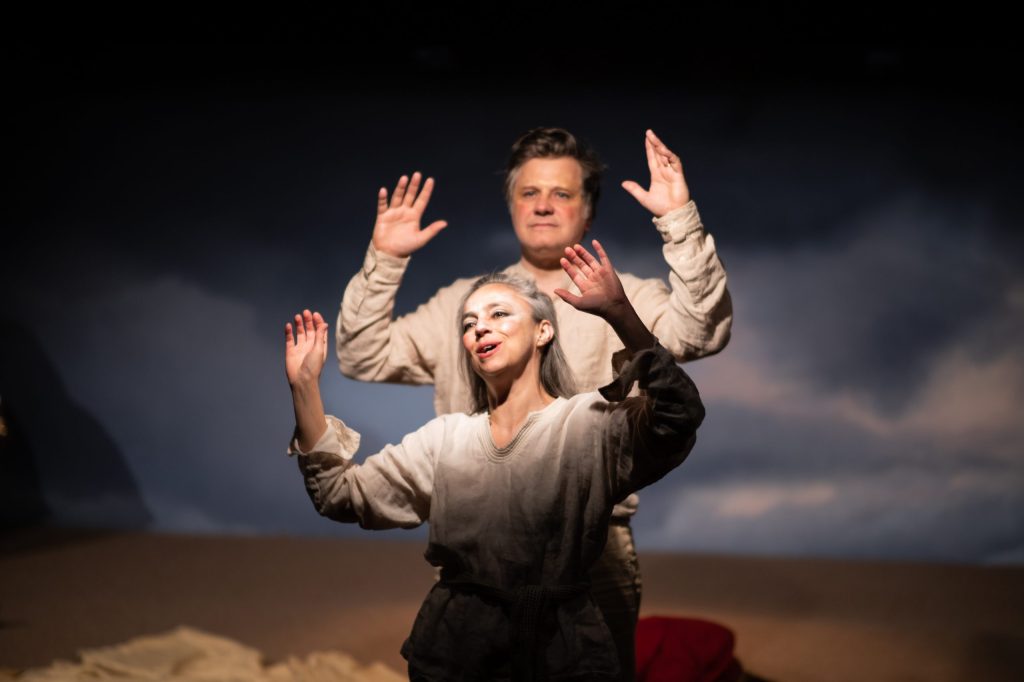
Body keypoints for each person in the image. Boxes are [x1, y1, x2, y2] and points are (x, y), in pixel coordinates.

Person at [336, 128, 731, 679]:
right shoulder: (463, 305)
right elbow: (362, 354)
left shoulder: (626, 297)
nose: (543, 204)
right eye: (529, 192)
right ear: (512, 207)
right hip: (477, 562)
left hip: (595, 552)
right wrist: (384, 260)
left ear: (587, 214)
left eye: (562, 193)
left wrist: (678, 220)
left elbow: (705, 331)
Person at [288, 241, 705, 680]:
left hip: (561, 652)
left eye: (499, 314)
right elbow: (339, 495)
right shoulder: (445, 441)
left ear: (543, 331)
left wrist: (622, 315)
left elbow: (678, 416)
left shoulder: (586, 425)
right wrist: (304, 388)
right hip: (457, 652)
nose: (480, 328)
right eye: (469, 323)